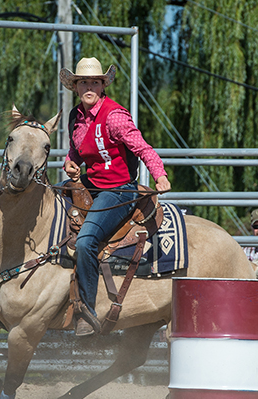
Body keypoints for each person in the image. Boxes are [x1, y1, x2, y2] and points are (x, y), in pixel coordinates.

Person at [59, 57, 171, 337]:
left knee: (85, 241)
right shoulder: (76, 116)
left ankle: (86, 311)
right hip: (93, 183)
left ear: (102, 85)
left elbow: (143, 148)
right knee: (55, 204)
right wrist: (70, 162)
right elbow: (78, 150)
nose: (89, 86)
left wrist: (159, 175)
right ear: (75, 86)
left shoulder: (115, 115)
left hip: (119, 189)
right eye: (83, 81)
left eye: (94, 82)